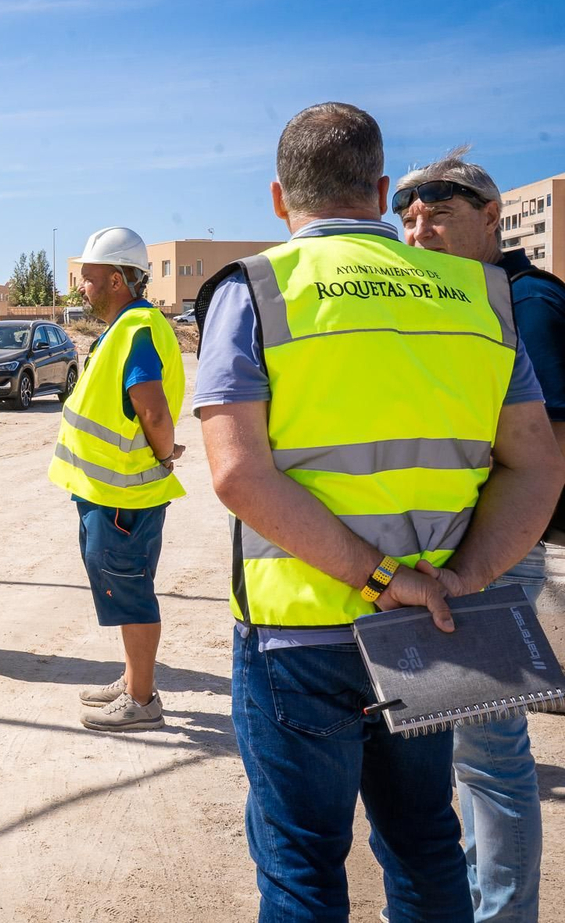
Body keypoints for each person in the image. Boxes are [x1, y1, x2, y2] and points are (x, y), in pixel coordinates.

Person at [194, 103, 561, 922]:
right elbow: (538, 463)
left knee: (300, 867)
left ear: (281, 198)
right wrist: (459, 578)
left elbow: (238, 476)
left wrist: (379, 576)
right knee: (426, 841)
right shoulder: (481, 297)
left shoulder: (258, 289)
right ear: (383, 189)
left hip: (300, 633)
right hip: (435, 624)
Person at [396, 148, 565, 923]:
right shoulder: (462, 300)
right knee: (467, 754)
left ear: (493, 219)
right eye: (408, 215)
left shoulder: (523, 304)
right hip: (462, 552)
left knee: (491, 758)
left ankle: (501, 914)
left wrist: (477, 559)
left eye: (441, 214)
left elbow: (539, 450)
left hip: (497, 555)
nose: (418, 230)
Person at [48, 227, 186, 732]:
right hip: (107, 491)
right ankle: (133, 679)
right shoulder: (127, 326)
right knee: (126, 587)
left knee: (130, 592)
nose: (81, 288)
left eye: (88, 278)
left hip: (123, 494)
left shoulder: (137, 329)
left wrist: (166, 451)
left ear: (116, 280)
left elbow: (150, 407)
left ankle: (143, 700)